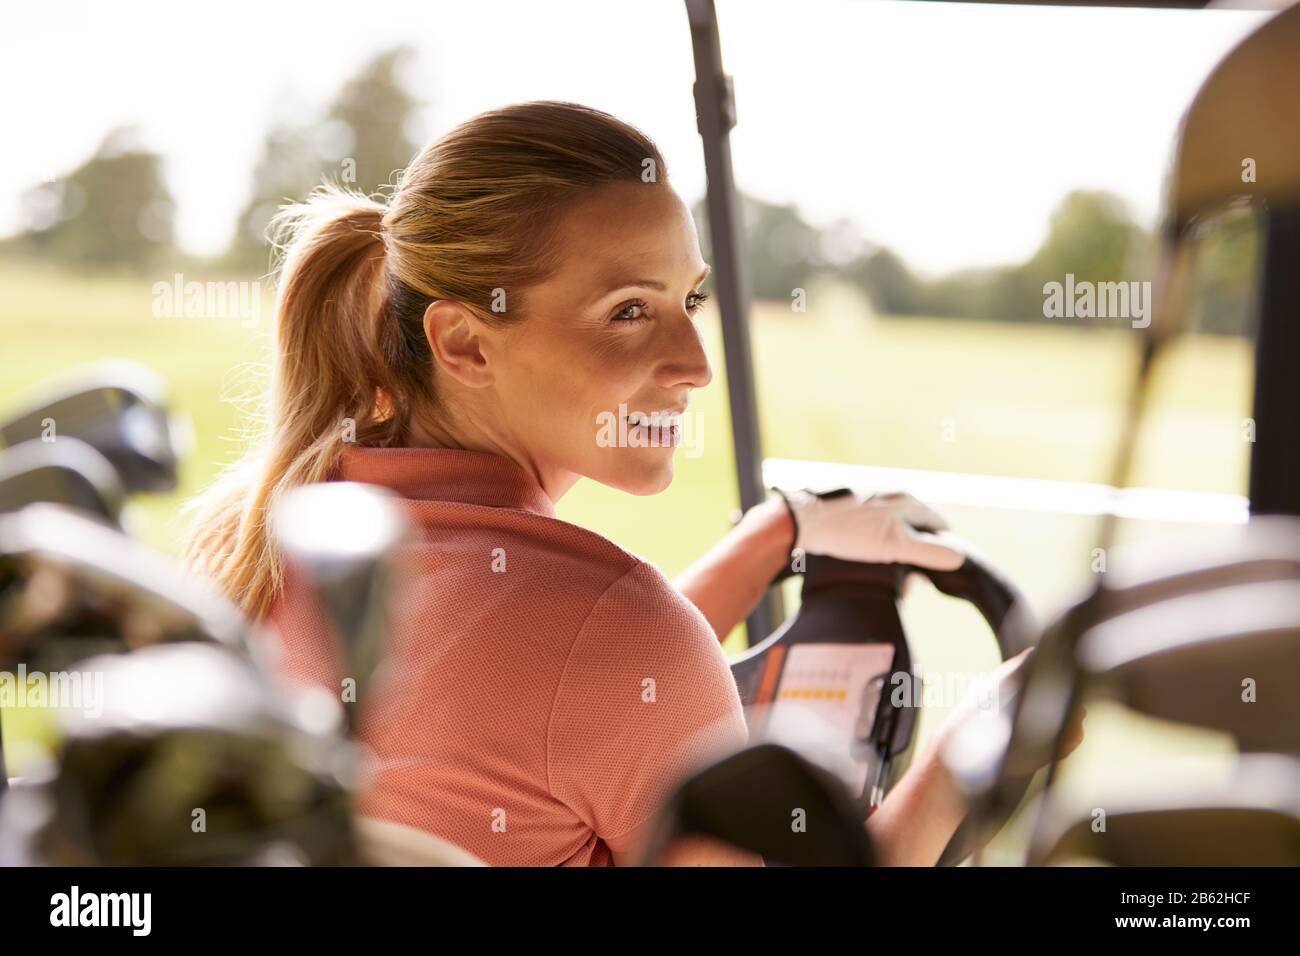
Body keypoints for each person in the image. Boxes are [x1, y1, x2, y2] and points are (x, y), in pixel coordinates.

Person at [186, 100, 1081, 867]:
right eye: (627, 312)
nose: (694, 364)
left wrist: (775, 538)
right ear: (465, 344)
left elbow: (546, 706)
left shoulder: (252, 540)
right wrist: (976, 741)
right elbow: (591, 680)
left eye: (688, 301)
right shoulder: (620, 631)